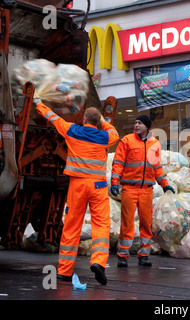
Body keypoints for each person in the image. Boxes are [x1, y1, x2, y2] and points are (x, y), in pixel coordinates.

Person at [34, 97, 119, 285]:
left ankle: (64, 271)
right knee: (101, 225)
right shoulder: (105, 137)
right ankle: (98, 262)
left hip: (77, 186)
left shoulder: (72, 131)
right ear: (98, 123)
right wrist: (103, 122)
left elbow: (54, 118)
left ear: (83, 120)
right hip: (98, 186)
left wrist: (38, 103)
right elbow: (114, 133)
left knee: (72, 226)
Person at [111, 115, 174, 268]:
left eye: (139, 123)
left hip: (146, 190)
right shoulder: (126, 141)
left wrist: (164, 184)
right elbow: (118, 163)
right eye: (135, 123)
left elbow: (156, 167)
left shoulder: (154, 144)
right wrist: (114, 182)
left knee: (146, 224)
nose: (136, 125)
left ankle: (144, 255)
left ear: (147, 126)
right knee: (127, 223)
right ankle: (123, 256)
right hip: (129, 188)